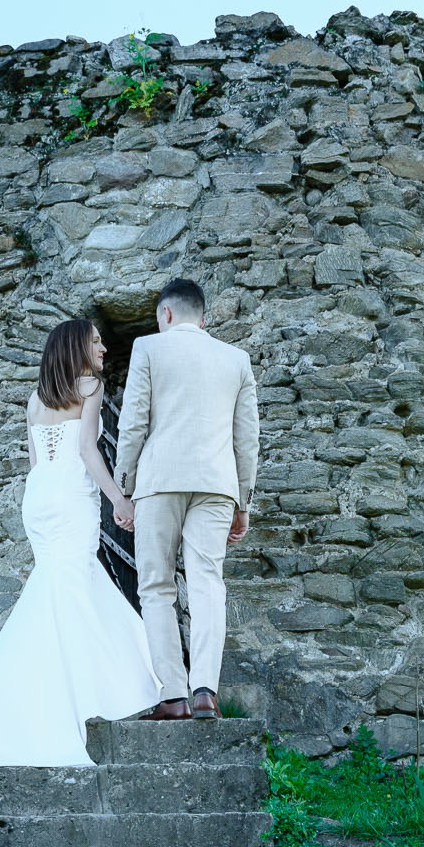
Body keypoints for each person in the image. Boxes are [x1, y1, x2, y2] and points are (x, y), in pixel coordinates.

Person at [0, 319, 160, 766]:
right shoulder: (90, 387)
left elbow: (35, 461)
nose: (103, 349)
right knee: (73, 586)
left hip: (39, 497)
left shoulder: (35, 398)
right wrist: (118, 497)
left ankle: (40, 704)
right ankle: (94, 699)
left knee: (56, 589)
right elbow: (86, 450)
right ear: (77, 346)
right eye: (96, 342)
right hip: (68, 495)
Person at [115, 278, 260, 721]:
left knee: (156, 586)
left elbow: (133, 422)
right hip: (217, 483)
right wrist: (243, 501)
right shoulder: (236, 359)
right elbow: (247, 438)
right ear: (205, 317)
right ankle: (205, 692)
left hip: (159, 480)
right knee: (207, 583)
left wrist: (125, 486)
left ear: (167, 314)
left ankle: (173, 694)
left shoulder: (148, 349)